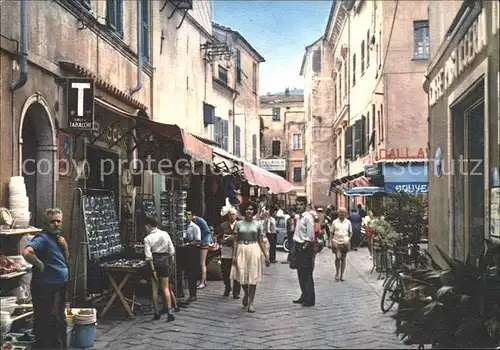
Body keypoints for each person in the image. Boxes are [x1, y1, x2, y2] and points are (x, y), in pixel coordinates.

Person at [22, 208, 69, 350]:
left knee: (59, 319)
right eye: (52, 221)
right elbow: (27, 252)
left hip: (60, 285)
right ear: (46, 223)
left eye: (58, 221)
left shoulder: (58, 239)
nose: (56, 224)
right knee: (48, 320)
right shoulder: (42, 238)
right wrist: (39, 264)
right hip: (46, 286)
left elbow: (65, 260)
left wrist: (65, 247)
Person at [231, 201, 271, 313]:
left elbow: (261, 241)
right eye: (247, 209)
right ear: (244, 211)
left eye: (251, 209)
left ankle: (251, 303)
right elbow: (235, 240)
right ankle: (246, 293)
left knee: (252, 276)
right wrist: (234, 255)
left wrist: (266, 255)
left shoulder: (258, 224)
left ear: (254, 211)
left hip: (254, 249)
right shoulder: (238, 224)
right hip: (241, 249)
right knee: (242, 276)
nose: (249, 211)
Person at [143, 215, 175, 322]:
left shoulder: (147, 239)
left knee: (155, 289)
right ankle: (170, 312)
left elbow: (148, 257)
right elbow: (171, 251)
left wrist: (153, 270)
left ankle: (156, 312)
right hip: (164, 261)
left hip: (154, 263)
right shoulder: (165, 234)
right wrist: (170, 263)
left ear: (148, 226)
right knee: (166, 288)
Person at [292, 201, 316, 307]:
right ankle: (304, 295)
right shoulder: (299, 218)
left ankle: (310, 299)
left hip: (304, 248)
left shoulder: (308, 217)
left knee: (307, 274)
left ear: (305, 206)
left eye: (301, 204)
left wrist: (303, 247)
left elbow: (310, 236)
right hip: (298, 247)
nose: (299, 206)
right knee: (300, 274)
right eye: (297, 204)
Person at [215, 206, 241, 298]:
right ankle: (227, 287)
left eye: (233, 214)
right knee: (225, 271)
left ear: (236, 215)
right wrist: (221, 241)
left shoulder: (240, 225)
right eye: (230, 214)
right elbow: (218, 237)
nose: (231, 216)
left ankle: (236, 292)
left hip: (237, 251)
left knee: (237, 272)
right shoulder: (223, 225)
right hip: (226, 251)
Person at [181, 210, 202, 302]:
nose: (187, 216)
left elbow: (198, 241)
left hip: (192, 251)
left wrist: (188, 244)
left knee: (191, 273)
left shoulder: (195, 227)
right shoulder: (181, 226)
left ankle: (193, 294)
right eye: (185, 214)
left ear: (192, 216)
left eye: (189, 214)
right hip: (182, 251)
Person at [187, 212, 211, 289]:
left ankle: (202, 282)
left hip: (203, 242)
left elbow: (207, 231)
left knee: (202, 263)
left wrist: (204, 241)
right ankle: (204, 280)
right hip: (199, 242)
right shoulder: (192, 222)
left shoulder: (199, 220)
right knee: (201, 262)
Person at [330, 207, 352, 281]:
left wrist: (348, 239)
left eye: (343, 212)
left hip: (345, 242)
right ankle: (337, 273)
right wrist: (331, 241)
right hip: (336, 241)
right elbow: (331, 232)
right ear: (338, 213)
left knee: (343, 258)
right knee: (338, 257)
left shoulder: (348, 222)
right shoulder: (334, 222)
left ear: (345, 213)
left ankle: (342, 274)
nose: (342, 213)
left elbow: (351, 232)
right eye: (340, 212)